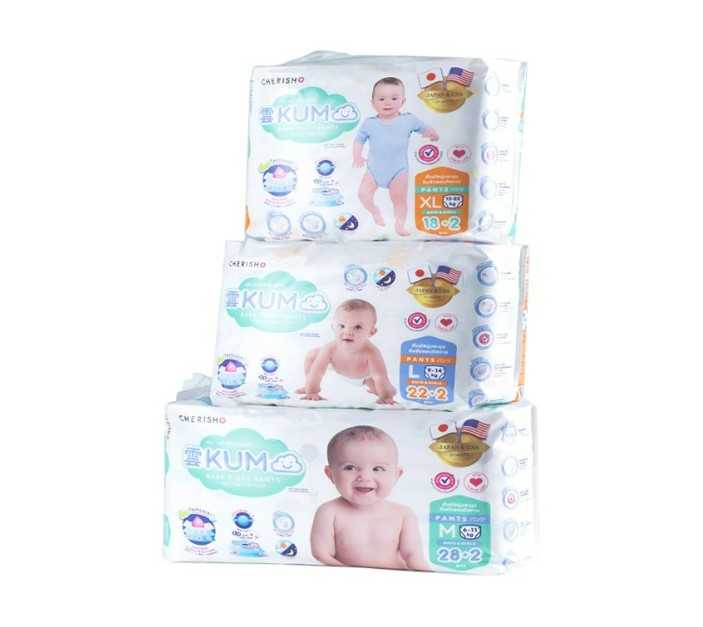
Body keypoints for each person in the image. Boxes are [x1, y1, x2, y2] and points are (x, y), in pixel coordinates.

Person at [311, 426, 429, 570]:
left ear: (396, 475)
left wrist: (428, 575)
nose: (365, 477)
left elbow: (413, 555)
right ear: (330, 474)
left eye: (378, 469)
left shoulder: (403, 514)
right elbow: (322, 554)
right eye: (350, 467)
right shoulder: (329, 512)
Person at [353, 77, 439, 236]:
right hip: (374, 170)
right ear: (372, 103)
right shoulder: (369, 123)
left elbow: (424, 128)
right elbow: (359, 140)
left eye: (394, 98)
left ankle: (399, 224)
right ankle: (375, 211)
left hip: (398, 171)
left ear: (403, 101)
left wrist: (432, 134)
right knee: (363, 194)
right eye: (381, 99)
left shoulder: (408, 119)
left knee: (399, 200)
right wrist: (357, 156)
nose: (388, 103)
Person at [296, 299, 396, 404]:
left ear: (371, 332)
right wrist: (312, 391)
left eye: (357, 327)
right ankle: (308, 385)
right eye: (342, 326)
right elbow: (318, 371)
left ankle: (389, 391)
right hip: (336, 367)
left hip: (365, 377)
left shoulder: (371, 352)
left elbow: (380, 376)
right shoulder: (330, 348)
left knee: (383, 390)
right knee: (312, 355)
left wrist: (386, 397)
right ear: (333, 327)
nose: (347, 332)